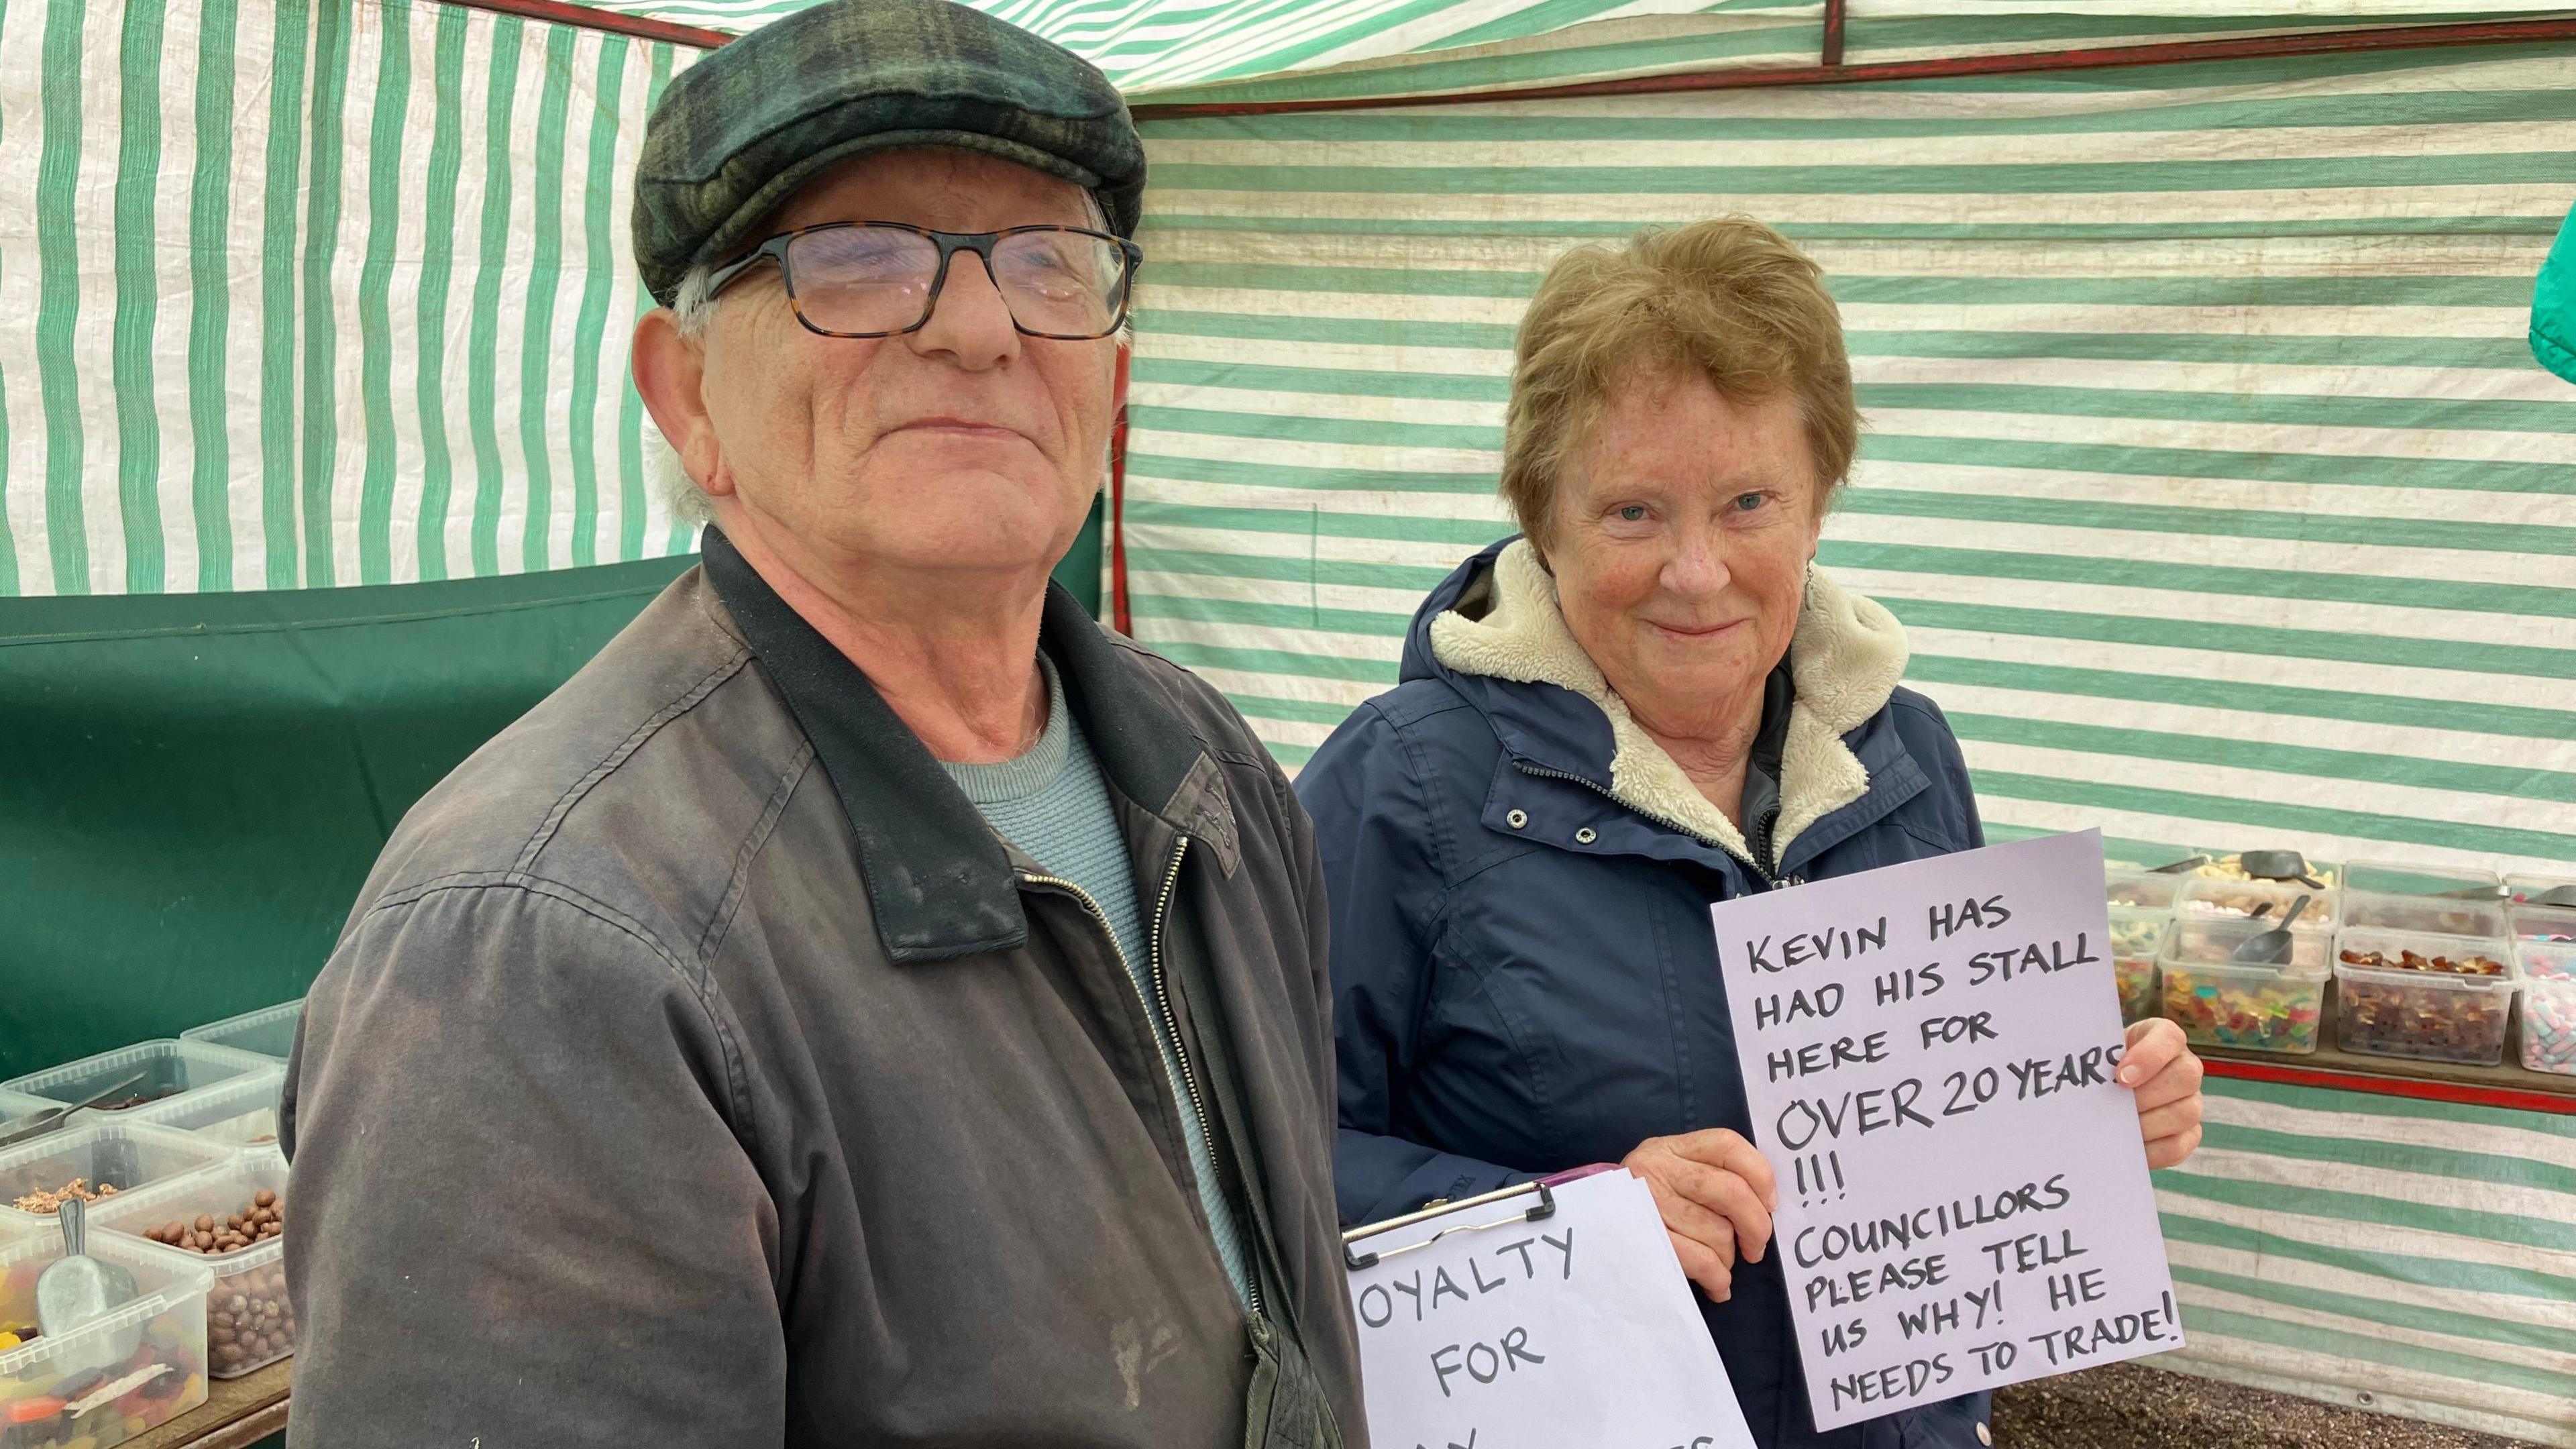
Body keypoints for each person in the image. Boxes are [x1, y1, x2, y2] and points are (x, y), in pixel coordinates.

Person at [278, 2, 1358, 1444]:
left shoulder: (1205, 766)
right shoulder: (542, 948)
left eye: (1050, 263)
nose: (979, 328)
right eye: (857, 262)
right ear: (687, 399)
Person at [1297, 217, 2206, 1449]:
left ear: (1819, 503)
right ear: (1542, 522)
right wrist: (1573, 1222)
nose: (1697, 570)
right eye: (1631, 511)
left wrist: (2093, 1111)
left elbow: (1956, 1112)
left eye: (1748, 502)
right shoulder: (1399, 782)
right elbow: (1257, 1158)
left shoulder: (1909, 749)